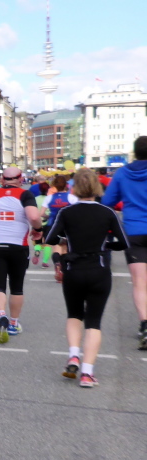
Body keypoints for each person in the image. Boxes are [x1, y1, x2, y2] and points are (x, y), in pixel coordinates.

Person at [46, 168, 128, 387]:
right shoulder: (107, 212)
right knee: (94, 322)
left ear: (75, 188)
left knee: (74, 314)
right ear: (97, 187)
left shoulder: (66, 212)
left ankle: (74, 355)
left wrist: (66, 241)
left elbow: (51, 237)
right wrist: (106, 245)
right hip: (99, 269)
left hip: (74, 268)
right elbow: (123, 243)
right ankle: (87, 373)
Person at [0, 166, 43, 343]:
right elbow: (34, 217)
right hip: (17, 246)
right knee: (16, 286)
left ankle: (1, 315)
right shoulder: (25, 195)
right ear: (20, 179)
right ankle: (13, 323)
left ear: (2, 180)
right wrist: (38, 230)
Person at [101, 136, 147, 349]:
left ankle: (145, 325)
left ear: (134, 152)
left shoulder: (122, 173)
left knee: (140, 282)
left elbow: (107, 202)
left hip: (134, 231)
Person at [39, 175, 78, 281]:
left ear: (54, 185)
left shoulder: (49, 198)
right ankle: (64, 271)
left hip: (52, 225)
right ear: (66, 185)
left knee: (56, 248)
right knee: (65, 249)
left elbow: (41, 213)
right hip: (67, 226)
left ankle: (57, 264)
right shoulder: (72, 198)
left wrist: (48, 216)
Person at [31, 182, 50, 266]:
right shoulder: (49, 199)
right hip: (48, 223)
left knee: (37, 241)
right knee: (47, 243)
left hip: (37, 222)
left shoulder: (35, 199)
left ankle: (37, 251)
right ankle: (45, 262)